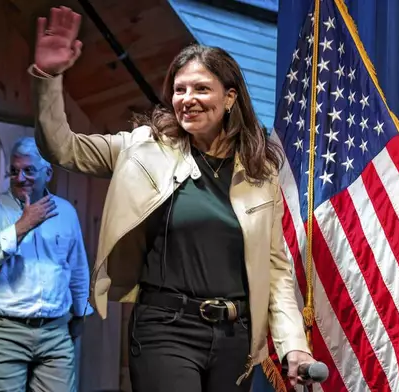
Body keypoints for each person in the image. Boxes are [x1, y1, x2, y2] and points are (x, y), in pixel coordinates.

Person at [29, 6, 317, 392]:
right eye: (179, 89)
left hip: (236, 338)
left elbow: (277, 271)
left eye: (201, 88)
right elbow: (62, 149)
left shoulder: (259, 173)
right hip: (166, 329)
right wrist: (49, 77)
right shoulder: (143, 147)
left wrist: (294, 348)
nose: (187, 99)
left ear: (230, 98)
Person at [0, 136, 93, 392]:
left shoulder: (66, 211)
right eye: (14, 171)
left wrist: (79, 314)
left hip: (55, 332)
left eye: (28, 170)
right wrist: (22, 226)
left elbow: (77, 268)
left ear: (48, 172)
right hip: (2, 332)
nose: (20, 177)